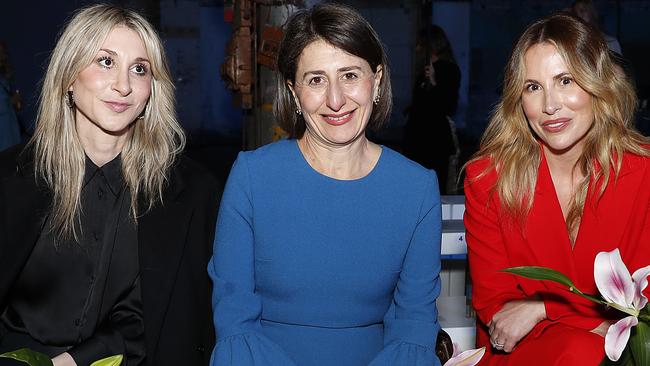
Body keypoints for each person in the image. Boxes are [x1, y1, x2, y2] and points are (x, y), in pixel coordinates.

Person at [208, 3, 442, 366]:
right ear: (294, 91)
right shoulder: (252, 178)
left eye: (350, 75)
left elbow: (413, 324)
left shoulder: (416, 189)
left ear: (376, 81)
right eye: (316, 79)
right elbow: (235, 319)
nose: (335, 100)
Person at [0, 5, 219, 366]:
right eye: (105, 61)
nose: (123, 85)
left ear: (152, 89)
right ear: (69, 77)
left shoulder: (192, 193)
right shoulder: (10, 180)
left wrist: (73, 361)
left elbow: (174, 319)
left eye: (139, 69)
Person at [463, 13, 650, 365]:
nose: (550, 105)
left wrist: (543, 307)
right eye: (533, 87)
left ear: (598, 83)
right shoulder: (488, 179)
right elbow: (498, 312)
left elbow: (642, 310)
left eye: (565, 81)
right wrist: (592, 325)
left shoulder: (642, 172)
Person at [404, 25, 461, 195]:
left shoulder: (449, 69)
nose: (417, 49)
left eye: (421, 44)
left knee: (435, 186)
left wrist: (435, 83)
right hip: (419, 137)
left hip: (435, 139)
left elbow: (447, 104)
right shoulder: (424, 71)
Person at [0, 42, 21, 151]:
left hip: (11, 136)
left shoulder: (4, 79)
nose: (3, 55)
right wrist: (10, 102)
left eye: (4, 52)